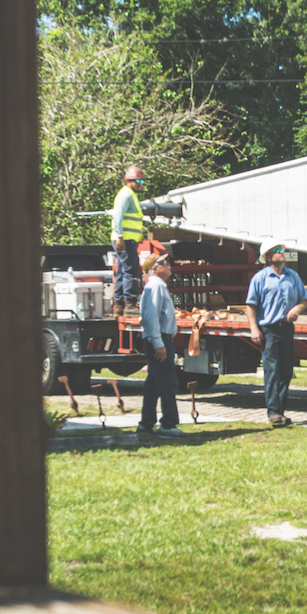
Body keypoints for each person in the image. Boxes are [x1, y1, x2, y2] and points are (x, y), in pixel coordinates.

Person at [245, 240, 307, 427]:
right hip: (269, 330)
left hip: (287, 329)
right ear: (267, 257)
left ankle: (280, 412)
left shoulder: (293, 276)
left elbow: (304, 300)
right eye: (278, 250)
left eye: (283, 250)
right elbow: (251, 305)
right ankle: (273, 412)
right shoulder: (260, 278)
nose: (283, 253)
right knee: (272, 371)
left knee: (286, 371)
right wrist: (254, 328)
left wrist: (297, 308)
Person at [137, 254, 186, 439]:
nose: (169, 266)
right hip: (160, 341)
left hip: (160, 340)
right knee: (168, 383)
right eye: (165, 263)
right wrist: (158, 343)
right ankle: (168, 425)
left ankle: (146, 424)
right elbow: (151, 317)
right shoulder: (156, 285)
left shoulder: (156, 286)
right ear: (155, 269)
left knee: (153, 385)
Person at [111, 165, 145, 316]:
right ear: (128, 181)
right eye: (136, 180)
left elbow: (131, 220)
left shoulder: (131, 194)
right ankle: (130, 305)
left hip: (128, 239)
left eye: (141, 180)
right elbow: (117, 217)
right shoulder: (126, 195)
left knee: (122, 272)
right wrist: (120, 237)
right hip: (125, 240)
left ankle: (119, 306)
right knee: (131, 271)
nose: (140, 183)